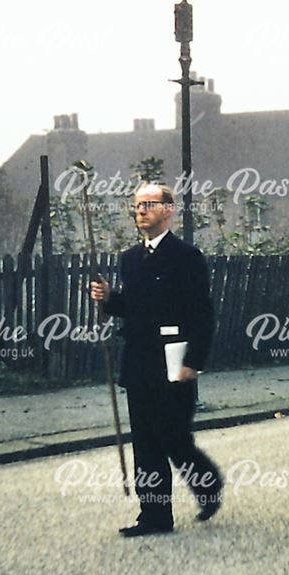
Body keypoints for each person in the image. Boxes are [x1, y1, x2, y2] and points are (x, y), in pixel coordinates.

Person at [90, 183, 222, 537]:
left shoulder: (186, 256)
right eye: (137, 206)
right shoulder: (130, 258)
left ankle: (208, 484)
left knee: (174, 437)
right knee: (146, 441)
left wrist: (194, 361)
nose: (141, 211)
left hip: (174, 360)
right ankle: (154, 516)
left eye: (149, 204)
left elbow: (202, 314)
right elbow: (132, 308)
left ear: (168, 210)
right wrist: (108, 298)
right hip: (139, 361)